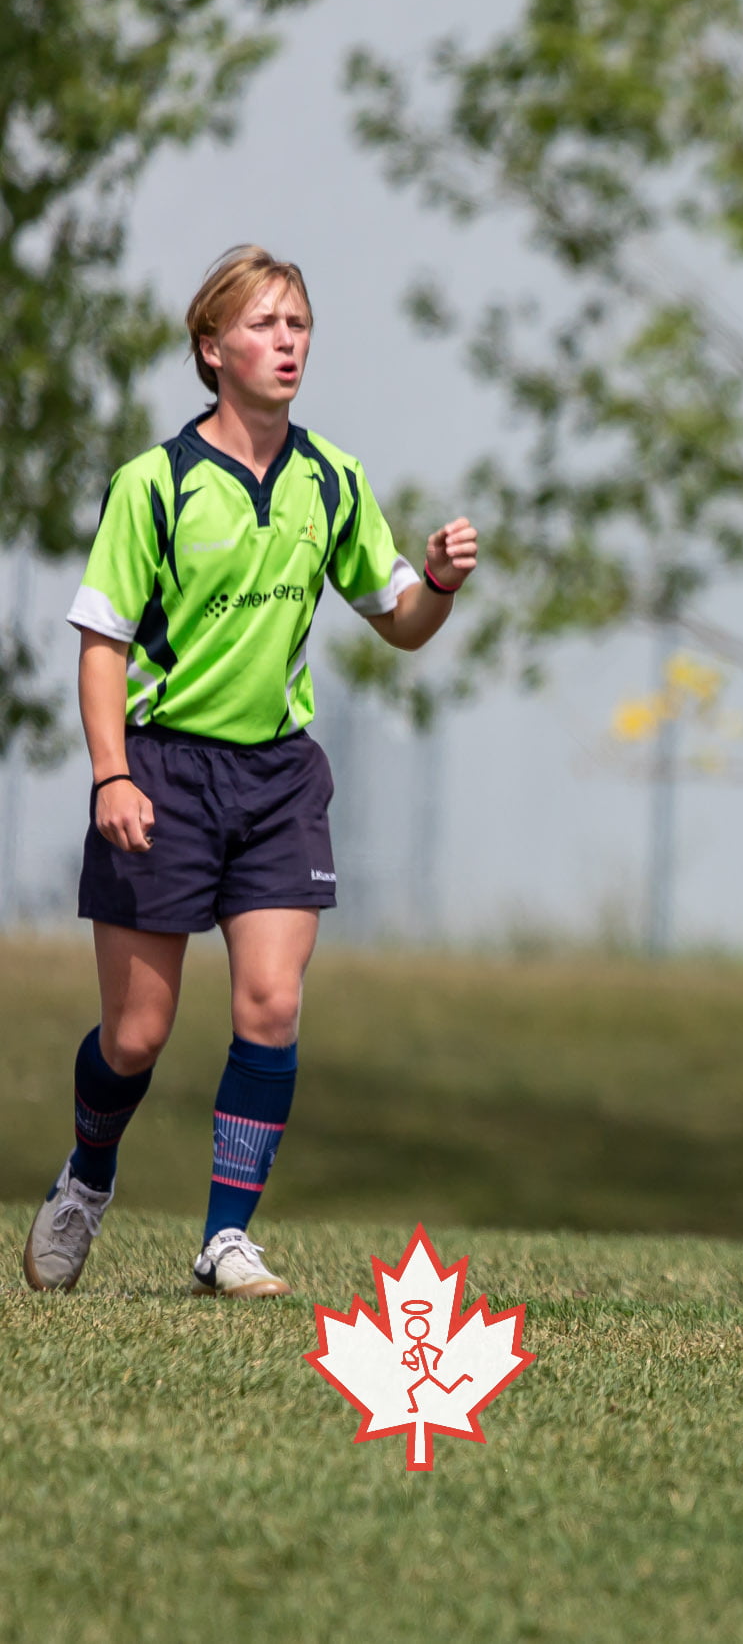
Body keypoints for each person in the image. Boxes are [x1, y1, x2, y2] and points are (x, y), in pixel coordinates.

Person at [20, 245, 480, 1299]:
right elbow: (103, 643)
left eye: (300, 324)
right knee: (137, 1033)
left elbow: (400, 620)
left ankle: (225, 1236)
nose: (288, 342)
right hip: (162, 773)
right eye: (267, 324)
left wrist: (442, 584)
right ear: (210, 346)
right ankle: (89, 1173)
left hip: (278, 778)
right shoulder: (157, 482)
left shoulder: (332, 478)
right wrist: (111, 776)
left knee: (270, 1004)